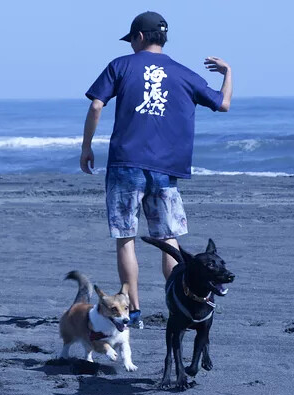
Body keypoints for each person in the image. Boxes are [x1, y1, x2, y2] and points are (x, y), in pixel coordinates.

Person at [81, 11, 233, 329]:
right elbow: (222, 103)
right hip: (166, 169)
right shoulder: (183, 73)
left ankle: (133, 311)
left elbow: (97, 105)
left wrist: (87, 146)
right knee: (168, 239)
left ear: (139, 37)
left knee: (126, 239)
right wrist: (228, 72)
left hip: (125, 165)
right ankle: (183, 300)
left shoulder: (121, 65)